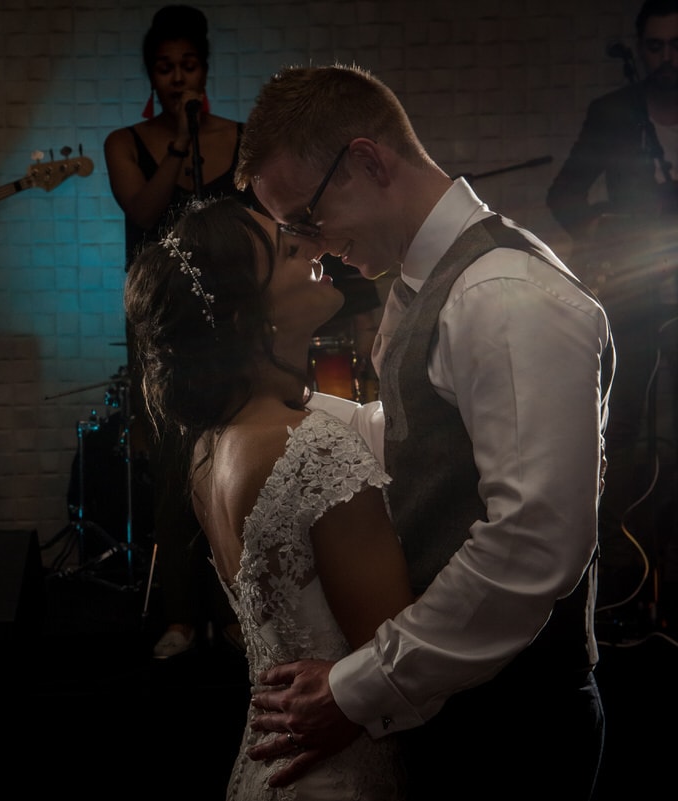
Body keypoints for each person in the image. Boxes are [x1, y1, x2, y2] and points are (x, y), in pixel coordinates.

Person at [235, 65, 612, 800]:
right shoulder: (427, 282)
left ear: (369, 162)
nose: (311, 247)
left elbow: (531, 544)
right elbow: (414, 444)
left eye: (308, 220)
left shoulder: (503, 296)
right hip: (463, 704)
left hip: (515, 723)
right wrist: (281, 415)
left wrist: (357, 685)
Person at [124, 197, 413, 798]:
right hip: (342, 770)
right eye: (287, 251)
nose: (310, 249)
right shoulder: (308, 451)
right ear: (244, 319)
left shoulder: (213, 444)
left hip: (269, 766)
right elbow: (398, 651)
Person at [104, 4, 247, 658]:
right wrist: (181, 146)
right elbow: (143, 208)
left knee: (237, 461)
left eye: (188, 65)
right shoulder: (125, 143)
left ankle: (236, 609)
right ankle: (182, 617)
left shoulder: (245, 139)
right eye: (165, 68)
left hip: (235, 323)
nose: (178, 78)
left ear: (205, 67)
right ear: (152, 76)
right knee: (171, 470)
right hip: (161, 326)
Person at [547, 0, 678, 605]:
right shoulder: (615, 113)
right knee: (624, 435)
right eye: (654, 46)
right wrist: (603, 228)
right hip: (642, 296)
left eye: (677, 44)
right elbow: (565, 194)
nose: (666, 58)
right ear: (639, 48)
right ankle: (624, 584)